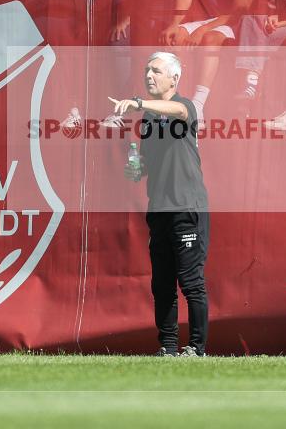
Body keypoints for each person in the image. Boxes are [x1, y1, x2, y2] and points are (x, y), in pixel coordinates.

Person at [109, 51, 211, 357]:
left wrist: (138, 102)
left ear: (174, 78)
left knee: (191, 282)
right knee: (162, 284)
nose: (149, 76)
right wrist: (137, 169)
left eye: (156, 71)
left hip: (186, 207)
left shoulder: (186, 106)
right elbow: (148, 164)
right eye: (146, 71)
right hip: (160, 209)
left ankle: (196, 348)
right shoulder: (150, 118)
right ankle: (167, 348)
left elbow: (178, 110)